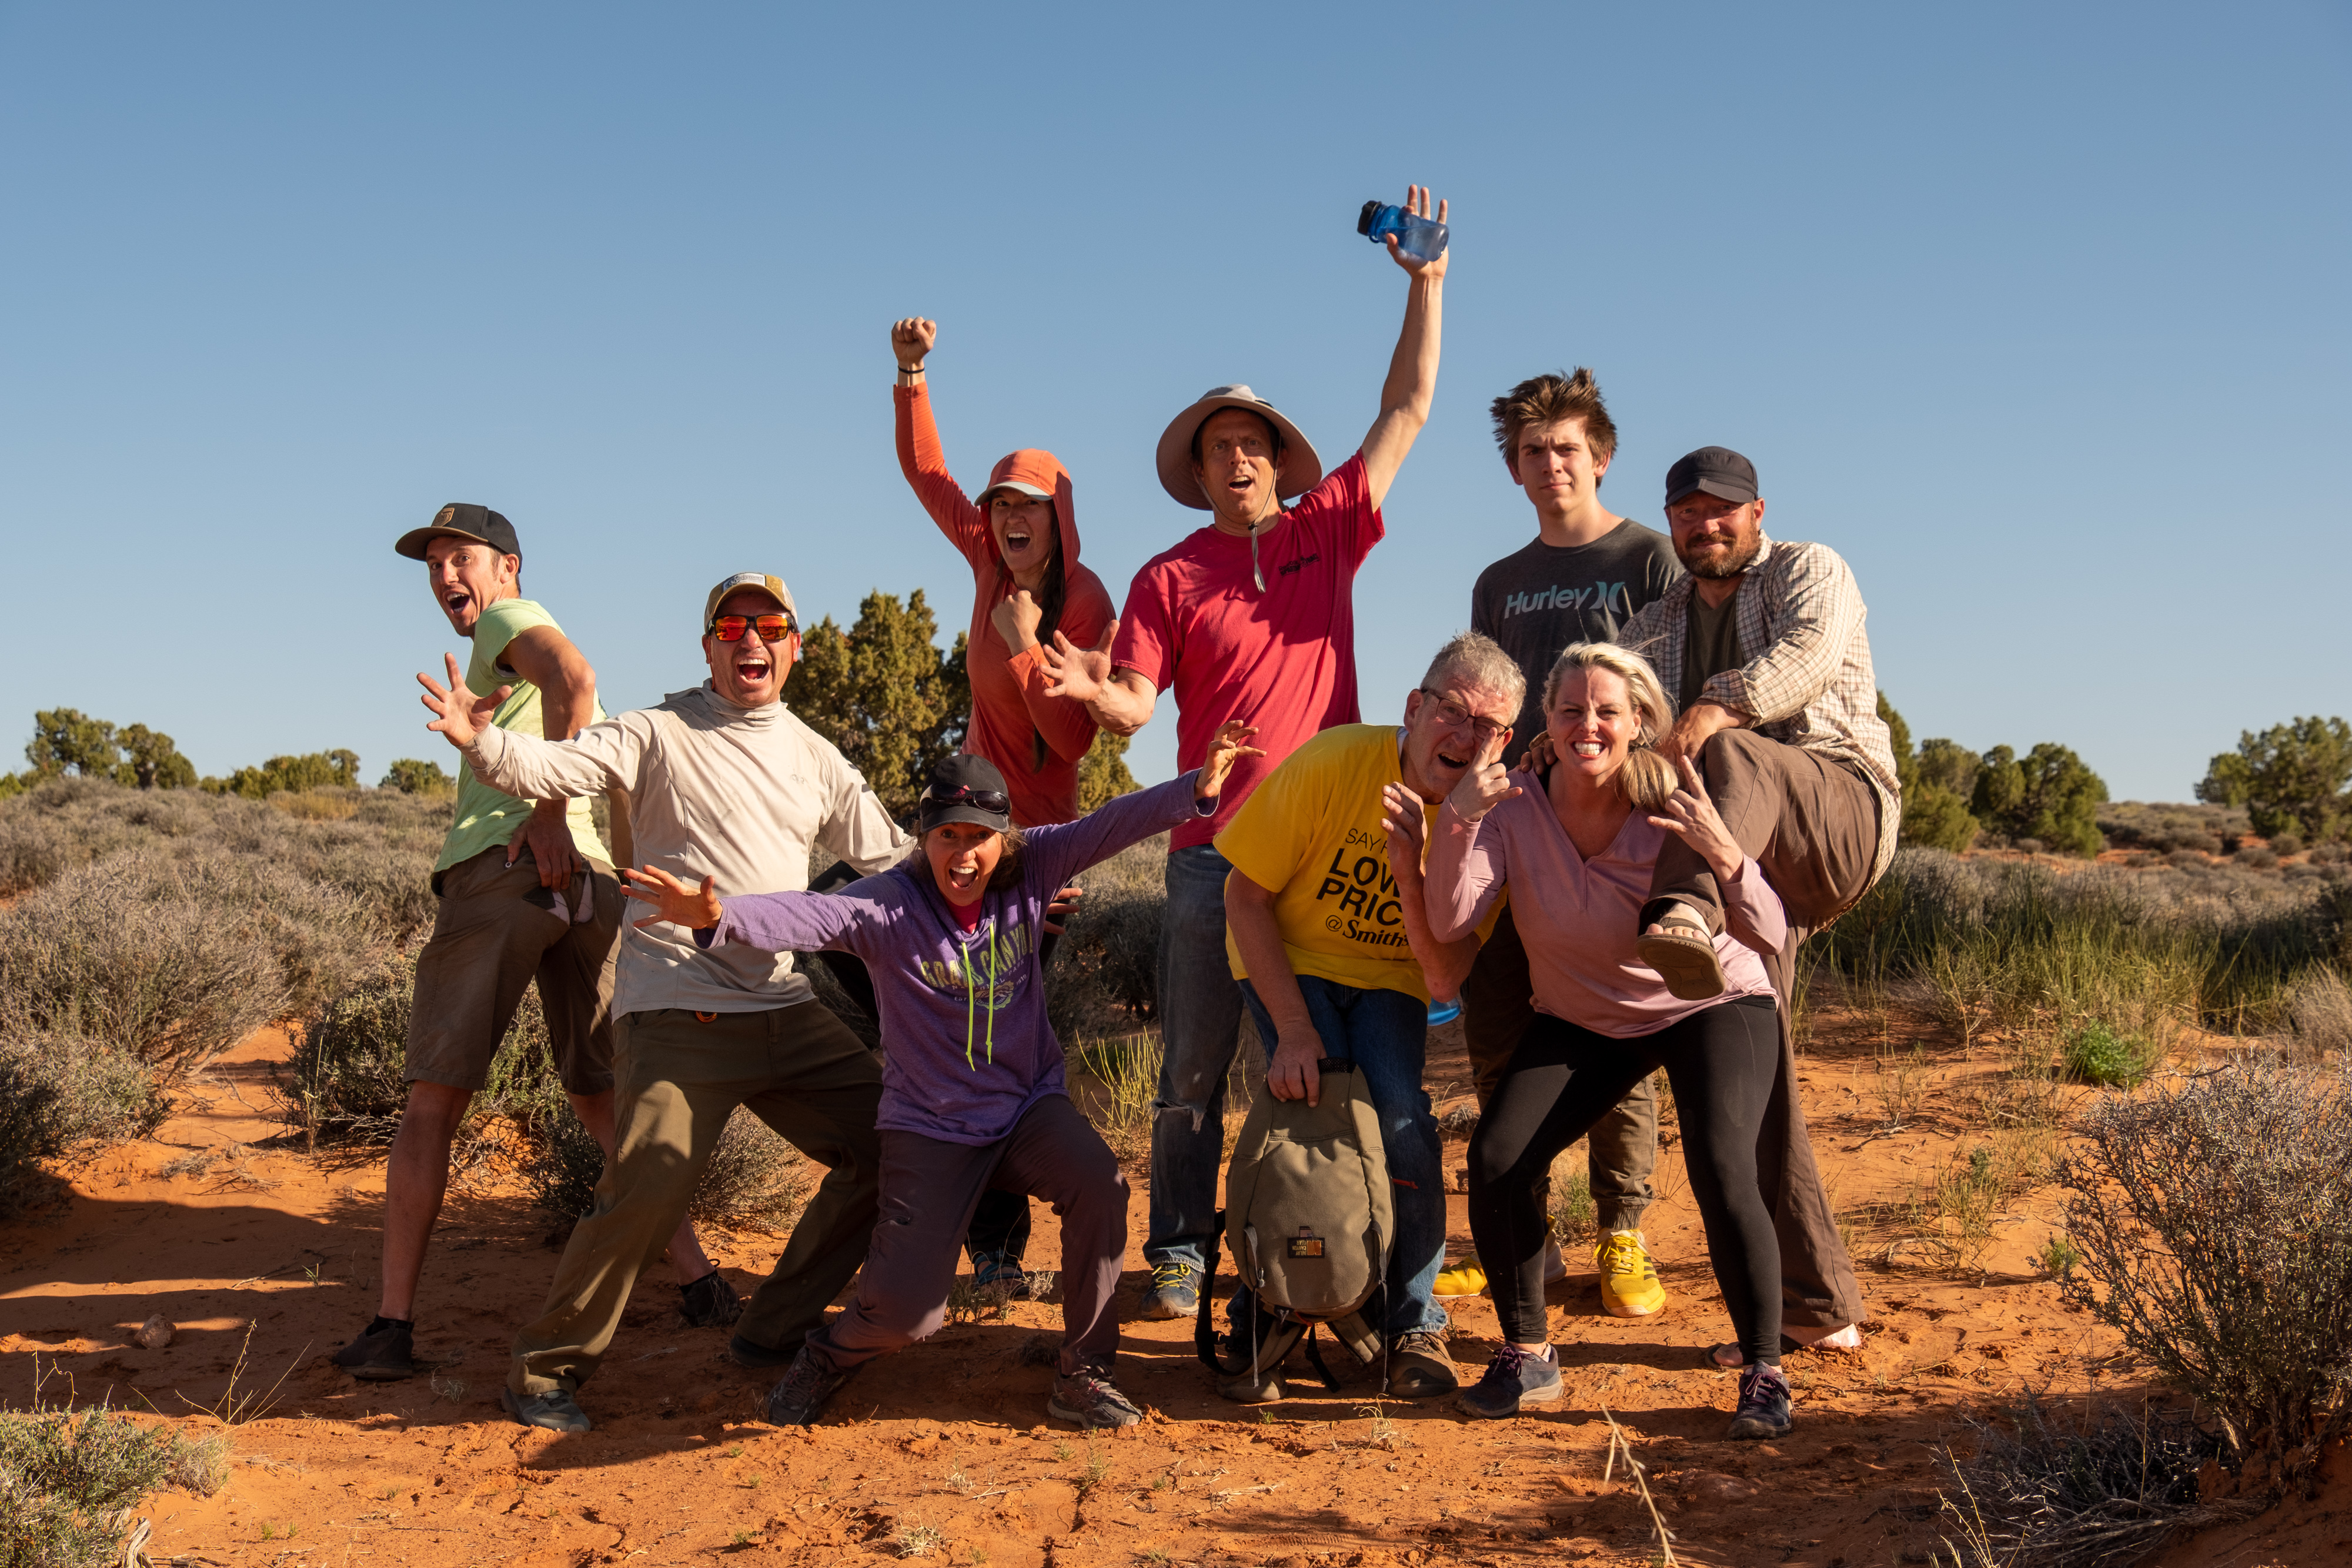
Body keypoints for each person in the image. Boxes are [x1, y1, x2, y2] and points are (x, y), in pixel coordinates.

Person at [1038, 184, 1451, 1322]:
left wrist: (1425, 285)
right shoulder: (1167, 578)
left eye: (1251, 445)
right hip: (1210, 856)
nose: (1236, 461)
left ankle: (1313, 1249)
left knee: (1316, 1067)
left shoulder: (1324, 533)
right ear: (1200, 468)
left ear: (1278, 461)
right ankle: (1179, 1249)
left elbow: (1408, 406)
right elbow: (1129, 703)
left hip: (1318, 862)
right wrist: (1089, 688)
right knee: (1187, 1074)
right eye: (1218, 447)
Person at [622, 731, 1260, 1429]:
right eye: (947, 836)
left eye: (980, 837)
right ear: (922, 837)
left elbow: (1107, 825)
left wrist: (1192, 788)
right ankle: (831, 1354)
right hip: (930, 1124)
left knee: (1100, 1185)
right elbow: (811, 914)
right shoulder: (889, 906)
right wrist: (722, 916)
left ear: (1004, 838)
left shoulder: (1035, 866)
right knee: (908, 1314)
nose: (964, 855)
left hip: (1026, 1107)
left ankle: (1083, 1372)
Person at [415, 570, 911, 1433]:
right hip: (679, 1004)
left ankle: (770, 1328)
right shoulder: (656, 730)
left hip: (782, 1004)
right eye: (731, 624)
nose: (749, 639)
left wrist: (1005, 880)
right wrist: (484, 744)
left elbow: (894, 861)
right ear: (709, 644)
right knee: (644, 1190)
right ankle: (542, 1370)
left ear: (796, 646)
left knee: (896, 1149)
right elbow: (560, 762)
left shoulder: (815, 755)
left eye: (770, 625)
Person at [1426, 643, 1851, 1439]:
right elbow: (1451, 918)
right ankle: (1527, 1350)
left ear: (1639, 723)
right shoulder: (1514, 803)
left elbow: (1766, 930)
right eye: (1571, 709)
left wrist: (1726, 854)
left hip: (1711, 999)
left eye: (1608, 711)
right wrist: (1458, 815)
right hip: (1584, 1014)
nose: (1588, 724)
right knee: (1498, 1156)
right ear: (1547, 724)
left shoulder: (1669, 793)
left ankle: (1764, 1368)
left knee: (1723, 1159)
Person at [333, 505, 717, 1383]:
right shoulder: (507, 656)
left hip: (505, 871)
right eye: (433, 566)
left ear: (508, 566)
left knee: (434, 1098)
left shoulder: (512, 622)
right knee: (603, 1095)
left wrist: (544, 804)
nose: (444, 578)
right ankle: (700, 1281)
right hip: (590, 888)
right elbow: (606, 752)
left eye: (460, 558)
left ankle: (390, 1323)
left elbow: (577, 677)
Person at [1618, 445, 1893, 1358]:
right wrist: (1551, 740)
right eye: (1689, 513)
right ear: (1672, 524)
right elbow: (1610, 707)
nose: (1708, 525)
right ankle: (1817, 1303)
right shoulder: (1654, 622)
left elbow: (1808, 656)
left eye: (1723, 509)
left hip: (1835, 813)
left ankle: (1681, 915)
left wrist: (1710, 708)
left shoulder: (1812, 568)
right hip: (1745, 870)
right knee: (1752, 1064)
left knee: (1729, 752)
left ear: (1758, 511)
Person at [1212, 632, 1521, 1399]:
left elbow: (1446, 972)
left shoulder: (1499, 824)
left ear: (1506, 741)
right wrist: (1292, 1028)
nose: (1464, 734)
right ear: (1415, 708)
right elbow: (1244, 897)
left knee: (1402, 1125)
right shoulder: (1334, 762)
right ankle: (1267, 1311)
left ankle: (1413, 1320)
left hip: (1392, 979)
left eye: (1488, 726)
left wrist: (1430, 850)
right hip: (1291, 956)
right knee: (1307, 1102)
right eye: (1452, 709)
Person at [1443, 370, 1685, 1318]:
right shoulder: (1499, 583)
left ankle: (1622, 1232)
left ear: (1603, 456)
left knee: (1616, 1023)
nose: (1552, 466)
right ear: (1515, 468)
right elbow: (1481, 700)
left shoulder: (1648, 559)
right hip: (1517, 830)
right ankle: (1527, 1238)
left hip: (1615, 835)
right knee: (1502, 1024)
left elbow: (1666, 697)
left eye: (1568, 449)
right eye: (1534, 453)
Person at [888, 313, 1118, 1292]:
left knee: (997, 1038)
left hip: (1039, 852)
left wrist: (1026, 643)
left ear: (1059, 515)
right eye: (1000, 504)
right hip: (964, 839)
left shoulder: (1085, 603)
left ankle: (1001, 1247)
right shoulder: (984, 560)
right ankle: (973, 1237)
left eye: (1028, 504)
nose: (1008, 517)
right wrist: (912, 376)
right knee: (947, 1023)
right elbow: (927, 476)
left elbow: (1074, 741)